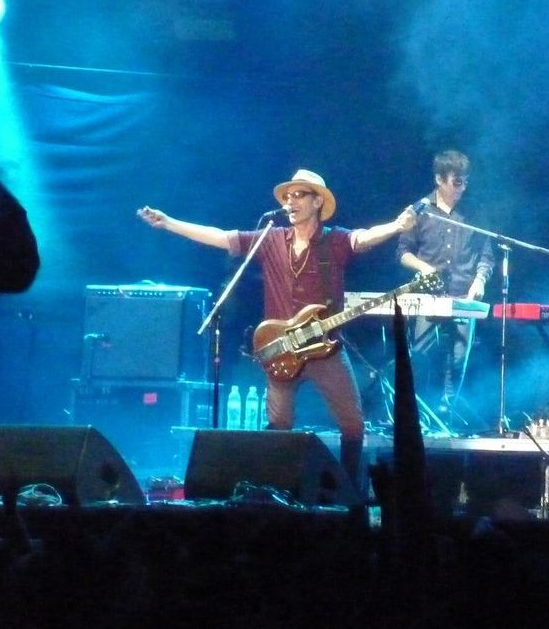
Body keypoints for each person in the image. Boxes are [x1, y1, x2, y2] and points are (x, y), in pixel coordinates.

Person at [138, 169, 415, 489]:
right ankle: (278, 493)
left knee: (353, 425)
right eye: (288, 196)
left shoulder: (334, 241)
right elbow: (221, 237)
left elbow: (363, 238)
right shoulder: (270, 238)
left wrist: (396, 226)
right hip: (282, 349)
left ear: (317, 202)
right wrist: (170, 223)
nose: (290, 202)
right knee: (279, 424)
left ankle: (349, 494)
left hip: (325, 349)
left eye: (299, 195)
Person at [396, 150, 494, 430]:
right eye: (456, 182)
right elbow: (402, 253)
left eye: (465, 182)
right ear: (439, 179)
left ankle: (446, 413)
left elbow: (486, 255)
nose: (461, 188)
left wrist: (479, 281)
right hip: (429, 296)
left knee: (459, 358)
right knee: (422, 355)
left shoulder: (474, 213)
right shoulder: (420, 210)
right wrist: (424, 268)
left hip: (463, 295)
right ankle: (418, 415)